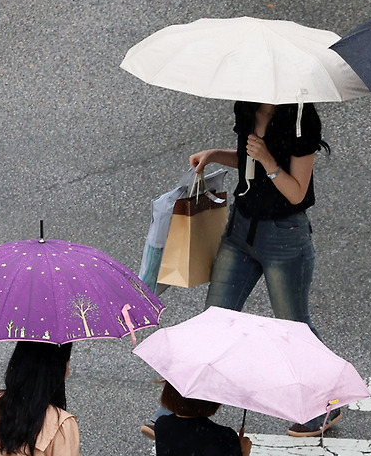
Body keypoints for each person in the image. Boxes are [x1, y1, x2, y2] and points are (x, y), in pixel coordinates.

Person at [144, 101, 337, 438]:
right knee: (213, 320)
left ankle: (328, 402)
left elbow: (297, 192)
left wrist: (268, 160)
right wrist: (217, 154)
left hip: (284, 236)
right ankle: (173, 411)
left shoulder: (302, 120)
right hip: (241, 231)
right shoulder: (246, 107)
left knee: (294, 325)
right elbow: (247, 161)